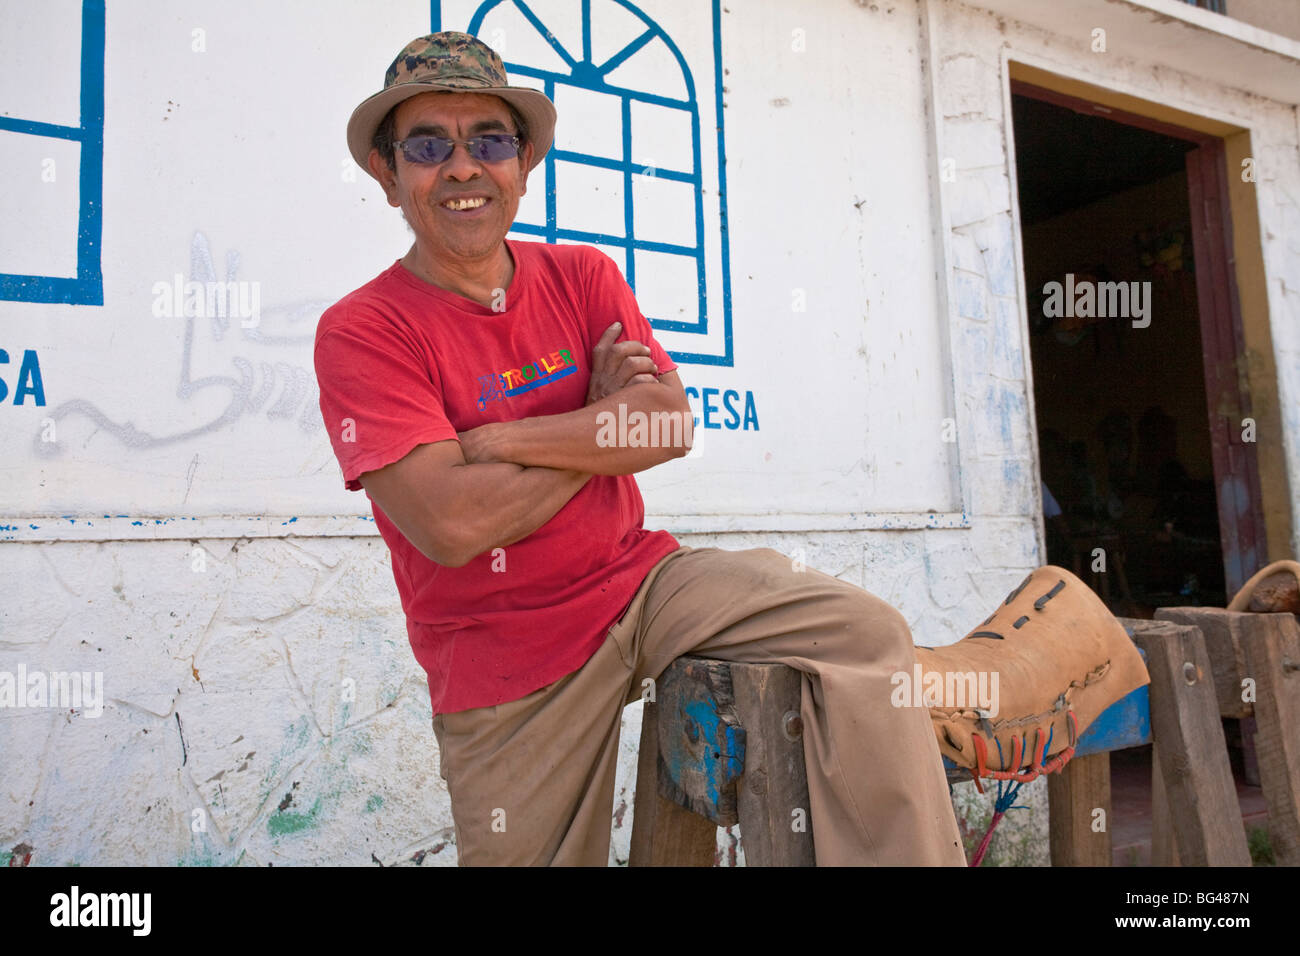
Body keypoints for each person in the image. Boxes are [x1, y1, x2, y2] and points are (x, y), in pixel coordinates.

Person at [314, 31, 966, 866]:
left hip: (644, 584)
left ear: (523, 162)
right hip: (504, 657)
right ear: (388, 173)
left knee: (862, 634)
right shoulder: (365, 330)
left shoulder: (582, 276)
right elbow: (452, 522)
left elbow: (664, 426)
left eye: (491, 140)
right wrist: (595, 421)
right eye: (429, 145)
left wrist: (505, 437)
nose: (464, 167)